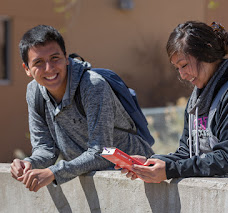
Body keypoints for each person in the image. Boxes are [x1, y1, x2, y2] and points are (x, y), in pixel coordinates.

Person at [117, 21, 228, 183]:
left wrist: (169, 170)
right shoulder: (196, 99)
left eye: (184, 65)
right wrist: (151, 163)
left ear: (207, 55)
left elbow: (227, 158)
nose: (182, 75)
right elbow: (186, 153)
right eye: (177, 68)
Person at [10, 25, 154, 192]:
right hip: (91, 182)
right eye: (39, 62)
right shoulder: (34, 92)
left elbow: (102, 151)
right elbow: (45, 149)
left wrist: (54, 172)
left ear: (66, 57)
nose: (49, 68)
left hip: (134, 177)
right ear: (27, 69)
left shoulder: (92, 86)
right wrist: (29, 163)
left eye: (55, 58)